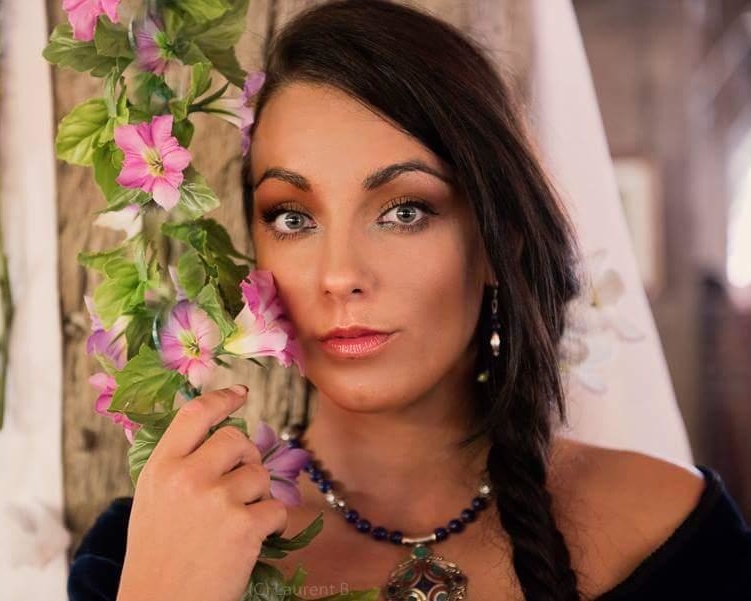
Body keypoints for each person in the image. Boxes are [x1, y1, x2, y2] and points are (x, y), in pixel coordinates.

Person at [67, 1, 751, 599]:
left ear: (500, 242)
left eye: (404, 212)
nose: (340, 275)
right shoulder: (153, 549)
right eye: (293, 218)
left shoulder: (671, 533)